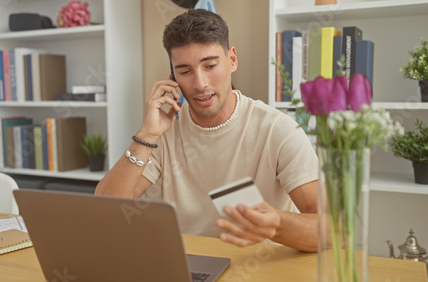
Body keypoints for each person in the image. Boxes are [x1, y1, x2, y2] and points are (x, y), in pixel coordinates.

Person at [95, 9, 319, 252]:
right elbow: (105, 210)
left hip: (257, 268)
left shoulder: (278, 129)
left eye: (210, 65)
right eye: (185, 71)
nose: (200, 84)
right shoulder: (163, 132)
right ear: (172, 76)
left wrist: (277, 223)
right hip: (189, 267)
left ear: (232, 60)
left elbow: (334, 230)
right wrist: (147, 136)